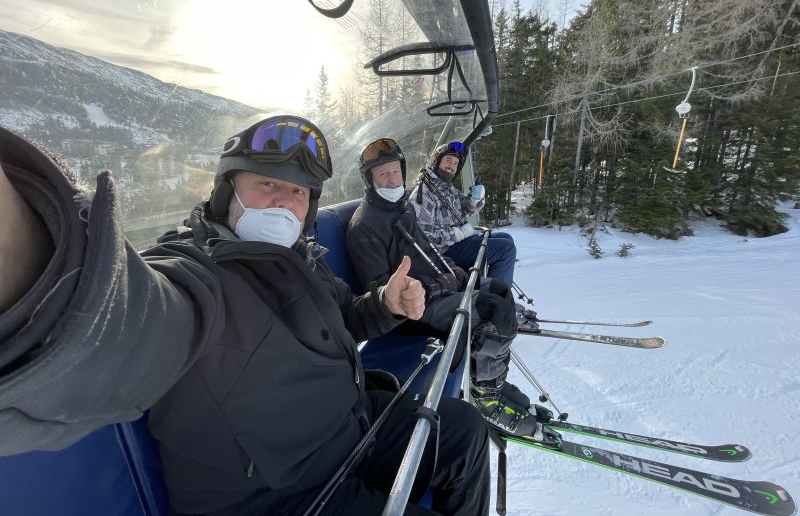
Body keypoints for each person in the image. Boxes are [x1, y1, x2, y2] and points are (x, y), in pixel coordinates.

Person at [0, 116, 492, 516]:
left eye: (299, 193)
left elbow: (346, 314)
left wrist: (385, 303)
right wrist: (27, 255)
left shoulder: (303, 259)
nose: (284, 202)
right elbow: (120, 321)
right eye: (267, 184)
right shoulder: (195, 275)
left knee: (465, 432)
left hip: (348, 429)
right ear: (226, 193)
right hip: (278, 496)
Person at [346, 138, 560, 445]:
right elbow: (382, 292)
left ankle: (489, 383)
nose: (393, 180)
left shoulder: (401, 209)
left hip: (436, 290)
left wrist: (454, 272)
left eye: (395, 171)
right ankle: (486, 400)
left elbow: (429, 250)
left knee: (499, 291)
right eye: (383, 174)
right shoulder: (365, 225)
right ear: (370, 179)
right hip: (412, 311)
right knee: (492, 312)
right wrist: (435, 286)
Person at [410, 142, 518, 289]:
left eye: (455, 163)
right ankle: (496, 296)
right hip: (443, 252)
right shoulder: (424, 193)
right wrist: (457, 234)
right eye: (448, 160)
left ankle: (488, 285)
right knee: (505, 248)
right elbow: (424, 238)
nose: (451, 166)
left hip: (457, 243)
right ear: (437, 161)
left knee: (506, 237)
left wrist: (475, 199)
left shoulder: (446, 187)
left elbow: (466, 208)